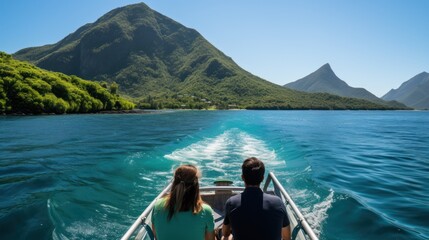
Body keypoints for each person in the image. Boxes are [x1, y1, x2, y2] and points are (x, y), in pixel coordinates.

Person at [222, 157, 291, 240]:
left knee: (225, 238)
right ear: (262, 178)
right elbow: (287, 237)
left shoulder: (231, 203)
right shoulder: (277, 202)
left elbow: (225, 233)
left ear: (243, 177)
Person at [152, 164, 215, 240]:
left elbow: (156, 235)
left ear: (174, 183)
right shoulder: (205, 210)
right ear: (196, 186)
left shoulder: (158, 205)